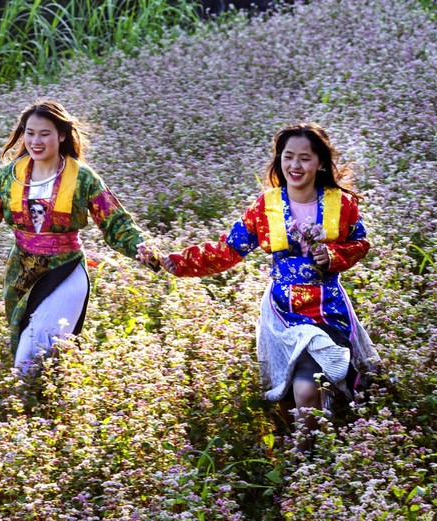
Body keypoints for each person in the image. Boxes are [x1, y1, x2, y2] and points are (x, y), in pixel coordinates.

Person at [156, 122, 381, 453]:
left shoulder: (340, 204)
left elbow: (360, 243)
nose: (295, 166)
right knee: (290, 400)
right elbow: (228, 250)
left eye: (304, 158)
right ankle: (309, 457)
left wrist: (332, 255)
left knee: (308, 391)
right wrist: (177, 263)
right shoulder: (266, 206)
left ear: (320, 163)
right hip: (283, 314)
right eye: (288, 157)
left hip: (328, 312)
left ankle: (307, 467)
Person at [0, 99, 161, 374]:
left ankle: (31, 403)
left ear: (62, 135)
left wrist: (147, 251)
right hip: (21, 272)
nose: (35, 141)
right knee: (29, 346)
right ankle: (38, 408)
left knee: (35, 350)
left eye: (44, 133)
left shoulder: (83, 178)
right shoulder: (9, 175)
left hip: (65, 269)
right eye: (29, 133)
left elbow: (116, 223)